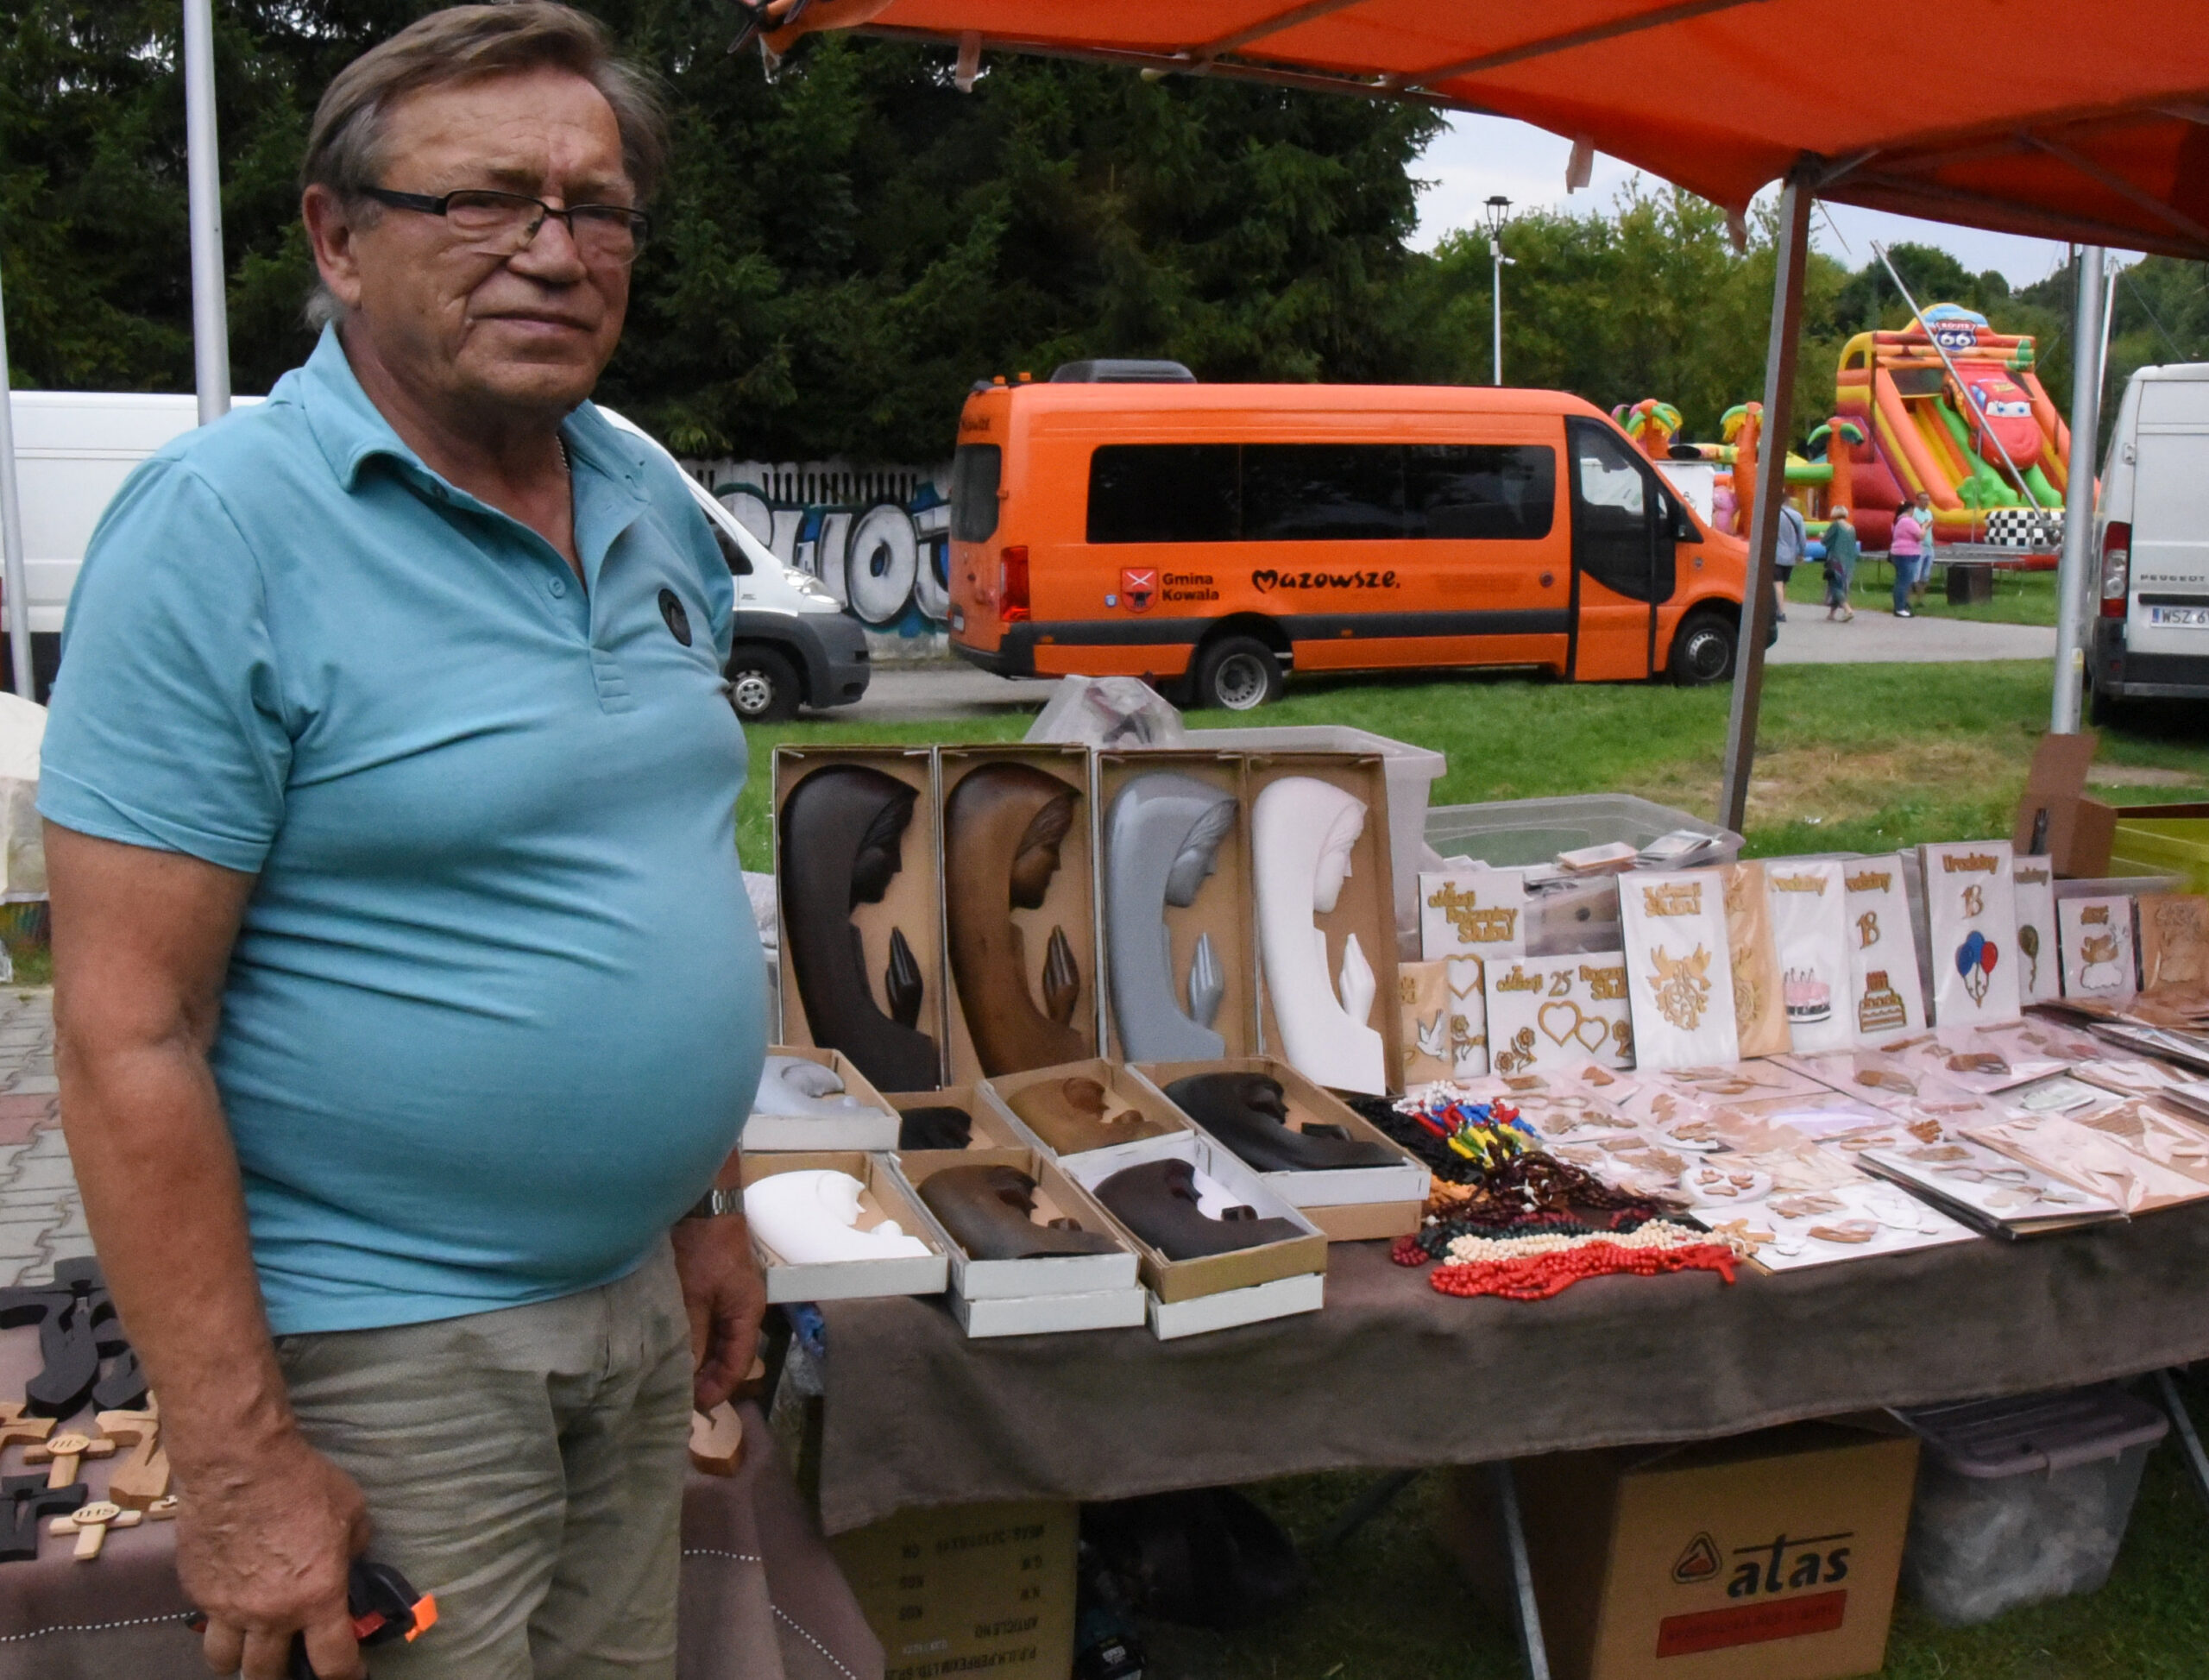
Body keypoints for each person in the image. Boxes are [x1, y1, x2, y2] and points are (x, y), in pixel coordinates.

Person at [40, 8, 768, 1677]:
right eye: (482, 199)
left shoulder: (649, 502)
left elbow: (650, 868)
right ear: (337, 238)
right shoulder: (220, 533)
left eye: (596, 208)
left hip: (631, 1305)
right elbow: (123, 1029)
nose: (553, 252)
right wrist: (237, 1465)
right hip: (387, 1349)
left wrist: (702, 1205)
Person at [1890, 496, 1925, 618]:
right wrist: (1924, 526)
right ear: (1910, 509)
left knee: (1900, 581)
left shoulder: (1897, 521)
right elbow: (1920, 535)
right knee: (1904, 582)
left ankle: (1900, 605)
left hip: (1898, 553)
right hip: (1907, 554)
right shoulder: (1908, 521)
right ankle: (1900, 608)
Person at [1772, 500, 1807, 624]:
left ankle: (1781, 612)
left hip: (1777, 554)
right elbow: (1802, 537)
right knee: (1783, 584)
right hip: (1791, 556)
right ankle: (1779, 608)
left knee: (1777, 584)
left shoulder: (1774, 515)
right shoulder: (1797, 516)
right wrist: (1802, 553)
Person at [1823, 507, 1860, 621]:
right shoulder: (1852, 528)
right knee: (1841, 586)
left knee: (1835, 586)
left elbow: (1825, 541)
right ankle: (1832, 614)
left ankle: (1848, 610)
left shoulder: (1836, 525)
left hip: (1836, 560)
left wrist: (1822, 536)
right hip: (1849, 561)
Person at [1910, 489, 1936, 602]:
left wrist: (1932, 541)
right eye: (1924, 500)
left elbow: (1930, 529)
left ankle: (1920, 600)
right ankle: (1910, 599)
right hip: (1919, 546)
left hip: (1929, 546)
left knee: (1925, 576)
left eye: (1928, 500)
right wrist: (1925, 525)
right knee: (1915, 575)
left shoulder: (1929, 513)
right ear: (1918, 501)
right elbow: (1915, 528)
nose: (1926, 502)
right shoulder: (1914, 513)